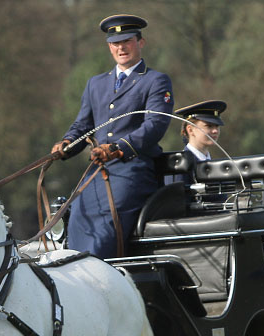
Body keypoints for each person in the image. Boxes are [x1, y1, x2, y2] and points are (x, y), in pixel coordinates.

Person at [51, 14, 174, 258]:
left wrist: (119, 147)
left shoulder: (155, 81)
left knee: (107, 226)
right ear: (109, 47)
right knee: (77, 216)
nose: (121, 47)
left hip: (134, 171)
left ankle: (101, 275)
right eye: (115, 43)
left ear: (141, 42)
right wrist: (67, 144)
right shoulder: (95, 84)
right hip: (97, 171)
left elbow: (155, 125)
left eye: (127, 41)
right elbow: (83, 125)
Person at [166, 100, 226, 185]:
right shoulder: (180, 167)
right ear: (190, 130)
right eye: (208, 126)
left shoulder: (217, 166)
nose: (215, 131)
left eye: (217, 126)